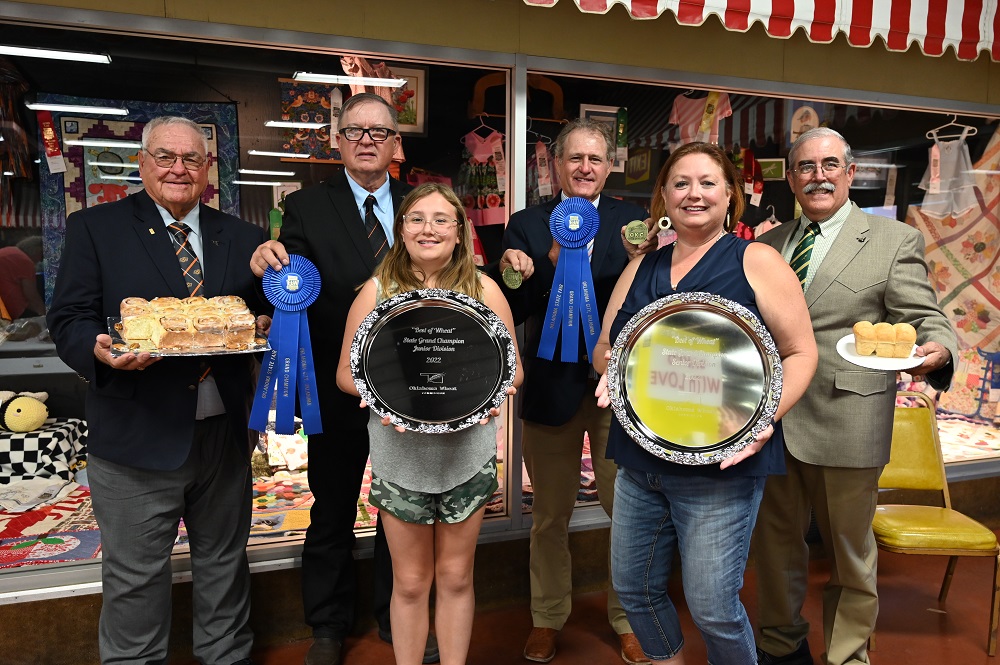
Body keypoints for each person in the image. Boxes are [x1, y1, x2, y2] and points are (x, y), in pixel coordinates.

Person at [46, 116, 269, 665]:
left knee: (224, 563)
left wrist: (264, 325)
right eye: (165, 157)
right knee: (135, 577)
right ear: (142, 163)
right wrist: (94, 351)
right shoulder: (96, 229)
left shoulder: (241, 237)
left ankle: (227, 657)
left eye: (192, 159)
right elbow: (69, 317)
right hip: (135, 437)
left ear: (207, 170)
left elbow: (254, 317)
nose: (178, 168)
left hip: (223, 437)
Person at [591, 141, 818, 665]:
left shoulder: (757, 260)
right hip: (640, 459)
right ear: (663, 197)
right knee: (635, 590)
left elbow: (802, 352)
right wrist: (618, 369)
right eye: (681, 184)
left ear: (730, 195)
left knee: (713, 606)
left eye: (707, 183)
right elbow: (606, 348)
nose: (694, 194)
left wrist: (766, 420)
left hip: (722, 464)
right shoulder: (641, 267)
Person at [753, 127, 959, 665]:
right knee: (775, 549)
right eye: (805, 167)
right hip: (774, 419)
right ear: (792, 178)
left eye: (828, 166)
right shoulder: (768, 247)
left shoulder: (893, 240)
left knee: (850, 555)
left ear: (849, 173)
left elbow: (925, 317)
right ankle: (780, 646)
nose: (817, 176)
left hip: (849, 419)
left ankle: (847, 656)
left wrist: (937, 350)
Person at [249, 92, 438, 665]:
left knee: (400, 510)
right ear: (336, 140)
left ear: (395, 145)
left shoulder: (420, 203)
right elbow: (291, 287)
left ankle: (393, 615)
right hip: (336, 387)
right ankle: (327, 626)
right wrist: (267, 265)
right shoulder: (307, 207)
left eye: (378, 132)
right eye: (354, 130)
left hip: (411, 392)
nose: (365, 140)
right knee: (330, 508)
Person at [491, 117, 656, 665]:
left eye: (596, 158)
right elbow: (513, 306)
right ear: (555, 165)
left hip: (618, 389)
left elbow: (645, 299)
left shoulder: (635, 224)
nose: (585, 168)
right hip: (549, 390)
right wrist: (543, 267)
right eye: (574, 158)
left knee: (627, 512)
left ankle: (629, 617)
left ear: (610, 165)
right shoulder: (525, 226)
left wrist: (643, 259)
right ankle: (546, 618)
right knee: (550, 515)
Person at [336, 182, 523, 665]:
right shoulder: (378, 291)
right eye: (417, 218)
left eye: (442, 219)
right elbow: (344, 375)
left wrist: (484, 388)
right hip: (401, 461)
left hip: (467, 457)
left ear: (459, 232)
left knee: (458, 577)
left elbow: (515, 369)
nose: (428, 229)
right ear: (401, 230)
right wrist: (389, 399)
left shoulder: (483, 290)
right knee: (412, 582)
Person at [0, 235, 46, 319]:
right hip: (11, 309)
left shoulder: (10, 251)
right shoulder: (25, 261)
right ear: (37, 250)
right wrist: (45, 315)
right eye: (42, 256)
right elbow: (31, 296)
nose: (41, 261)